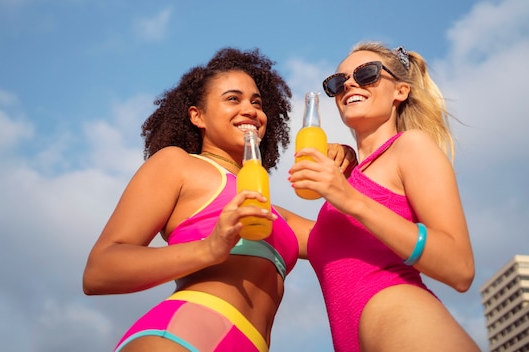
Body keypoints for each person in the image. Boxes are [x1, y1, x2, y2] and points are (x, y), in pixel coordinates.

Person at [82, 47, 355, 352]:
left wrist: (352, 169)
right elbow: (99, 271)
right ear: (197, 116)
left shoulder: (271, 213)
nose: (251, 110)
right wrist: (210, 248)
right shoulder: (177, 164)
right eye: (233, 99)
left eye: (257, 102)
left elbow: (356, 238)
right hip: (183, 336)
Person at [288, 42, 480, 351]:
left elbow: (460, 268)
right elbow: (291, 230)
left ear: (400, 91)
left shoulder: (410, 146)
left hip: (405, 322)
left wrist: (350, 198)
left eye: (367, 74)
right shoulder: (345, 182)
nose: (349, 83)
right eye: (338, 82)